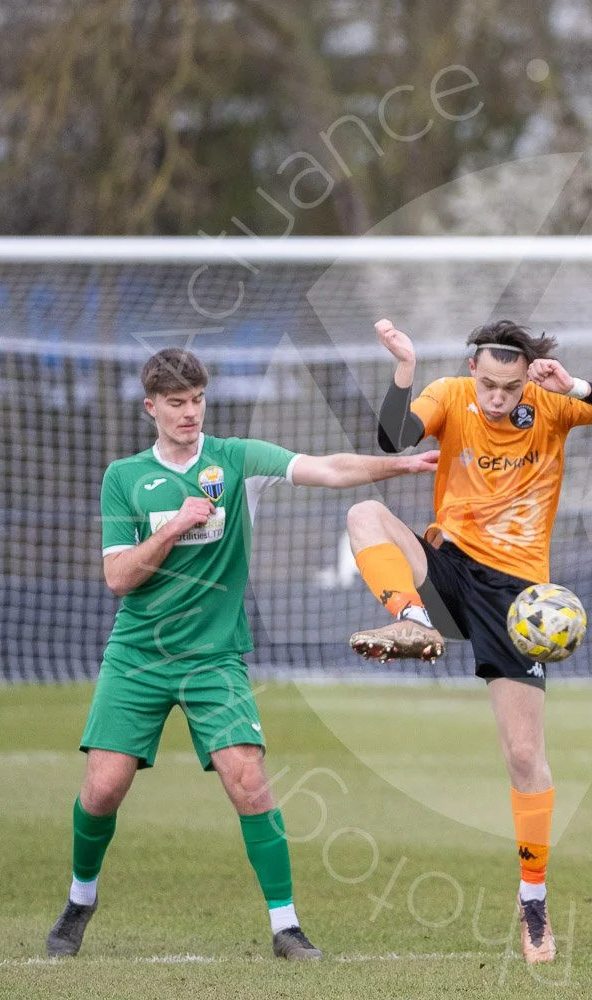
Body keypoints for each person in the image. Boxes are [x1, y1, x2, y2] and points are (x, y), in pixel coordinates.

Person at [45, 348, 437, 959]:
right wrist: (173, 526)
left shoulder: (236, 459)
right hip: (137, 658)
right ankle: (80, 899)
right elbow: (118, 578)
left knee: (249, 780)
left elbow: (328, 468)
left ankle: (286, 926)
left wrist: (402, 466)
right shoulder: (123, 478)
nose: (190, 413)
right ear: (151, 406)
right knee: (102, 790)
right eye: (176, 403)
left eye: (197, 400)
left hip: (214, 657)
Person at [347, 318, 592, 962]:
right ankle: (412, 622)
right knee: (364, 513)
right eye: (488, 383)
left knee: (522, 755)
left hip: (519, 603)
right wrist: (403, 367)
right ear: (473, 371)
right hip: (447, 568)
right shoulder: (450, 393)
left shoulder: (551, 404)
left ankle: (533, 903)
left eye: (509, 386)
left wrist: (577, 384)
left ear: (527, 375)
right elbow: (393, 437)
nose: (497, 397)